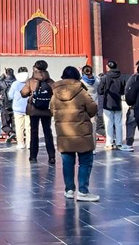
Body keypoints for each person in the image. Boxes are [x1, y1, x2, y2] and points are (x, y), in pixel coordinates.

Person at [51, 66, 100, 202]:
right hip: (82, 132)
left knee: (67, 162)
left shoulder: (55, 93)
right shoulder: (81, 91)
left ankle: (69, 190)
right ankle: (83, 191)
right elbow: (93, 108)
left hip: (64, 134)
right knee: (85, 161)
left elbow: (52, 110)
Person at [21, 60, 56, 164]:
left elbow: (23, 93)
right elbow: (56, 93)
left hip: (34, 110)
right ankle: (51, 156)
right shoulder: (50, 81)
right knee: (48, 132)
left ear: (35, 68)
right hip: (46, 109)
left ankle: (33, 156)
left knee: (34, 132)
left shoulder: (31, 81)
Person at [98, 60, 126, 150]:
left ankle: (109, 143)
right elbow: (123, 91)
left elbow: (100, 91)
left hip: (108, 103)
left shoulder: (105, 77)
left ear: (108, 67)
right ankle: (119, 143)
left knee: (108, 123)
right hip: (118, 102)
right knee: (118, 124)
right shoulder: (121, 77)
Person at [81, 65, 105, 142]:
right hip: (95, 103)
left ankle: (87, 139)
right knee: (94, 123)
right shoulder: (97, 80)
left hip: (85, 104)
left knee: (85, 123)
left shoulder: (81, 82)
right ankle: (93, 140)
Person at [9, 67, 31, 150]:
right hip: (29, 107)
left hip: (17, 108)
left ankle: (20, 143)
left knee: (19, 127)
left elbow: (10, 96)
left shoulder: (15, 84)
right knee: (29, 127)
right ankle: (29, 143)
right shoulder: (30, 82)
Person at [0, 68, 16, 144]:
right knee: (14, 121)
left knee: (5, 122)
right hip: (14, 104)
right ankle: (15, 133)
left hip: (5, 104)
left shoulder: (2, 82)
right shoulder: (15, 82)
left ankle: (10, 133)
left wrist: (2, 76)